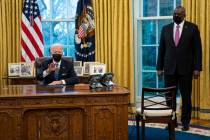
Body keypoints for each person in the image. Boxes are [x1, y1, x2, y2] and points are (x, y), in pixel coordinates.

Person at [156, 6, 202, 131]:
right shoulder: (166, 29)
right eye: (174, 13)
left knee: (186, 96)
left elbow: (198, 50)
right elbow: (161, 49)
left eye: (179, 14)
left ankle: (185, 122)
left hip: (186, 69)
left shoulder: (192, 28)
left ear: (184, 15)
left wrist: (197, 68)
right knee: (169, 97)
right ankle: (172, 121)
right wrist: (159, 67)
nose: (176, 15)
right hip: (169, 69)